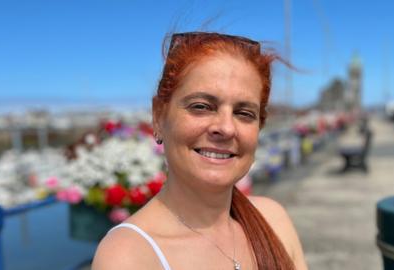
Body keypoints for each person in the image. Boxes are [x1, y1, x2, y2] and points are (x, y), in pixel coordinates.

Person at [92, 31, 307, 270]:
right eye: (201, 106)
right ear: (159, 116)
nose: (225, 128)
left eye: (244, 113)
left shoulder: (273, 220)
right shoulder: (130, 256)